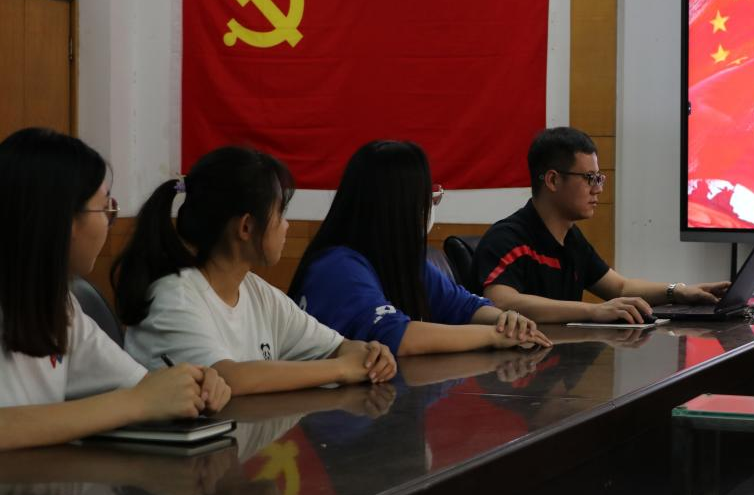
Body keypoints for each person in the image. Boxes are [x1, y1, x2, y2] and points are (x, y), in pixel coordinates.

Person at [0, 128, 229, 451]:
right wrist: (137, 402)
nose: (110, 223)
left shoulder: (59, 304)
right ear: (64, 219)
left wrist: (195, 384)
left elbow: (139, 385)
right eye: (105, 210)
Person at [113, 146, 396, 395]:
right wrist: (342, 369)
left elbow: (336, 347)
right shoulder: (174, 298)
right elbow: (229, 378)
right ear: (246, 227)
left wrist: (369, 354)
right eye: (280, 213)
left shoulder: (256, 291)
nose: (286, 226)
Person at [289, 140, 551, 355]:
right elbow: (399, 338)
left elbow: (462, 306)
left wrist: (505, 320)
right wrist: (493, 335)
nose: (430, 206)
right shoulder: (337, 266)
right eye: (426, 196)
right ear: (399, 206)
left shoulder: (401, 260)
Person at [472, 127, 731, 323]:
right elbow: (500, 301)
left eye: (599, 178)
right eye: (589, 178)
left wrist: (679, 291)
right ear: (552, 180)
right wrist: (593, 311)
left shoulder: (571, 238)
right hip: (517, 370)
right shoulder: (508, 238)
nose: (597, 189)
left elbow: (620, 288)